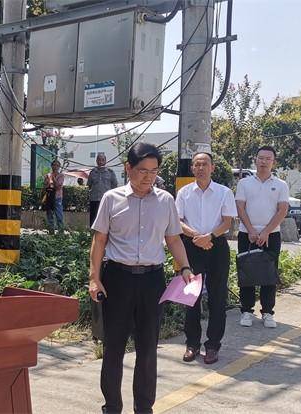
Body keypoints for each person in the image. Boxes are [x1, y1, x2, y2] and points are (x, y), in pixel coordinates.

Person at [89, 142, 192, 414]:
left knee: (148, 350)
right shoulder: (111, 198)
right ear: (128, 169)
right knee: (114, 349)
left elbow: (173, 239)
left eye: (154, 171)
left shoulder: (166, 200)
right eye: (142, 170)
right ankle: (112, 406)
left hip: (151, 281)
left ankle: (144, 408)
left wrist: (184, 268)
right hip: (117, 279)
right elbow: (100, 241)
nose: (148, 176)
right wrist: (94, 278)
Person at [175, 152, 237, 364]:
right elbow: (178, 220)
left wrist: (209, 237)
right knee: (190, 298)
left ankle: (212, 346)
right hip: (191, 246)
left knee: (217, 298)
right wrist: (196, 237)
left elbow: (227, 222)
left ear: (212, 168)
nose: (201, 168)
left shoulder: (224, 192)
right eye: (197, 164)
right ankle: (192, 344)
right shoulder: (184, 193)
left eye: (205, 164)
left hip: (216, 245)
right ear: (192, 168)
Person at [235, 146, 289, 329]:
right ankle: (246, 311)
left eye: (268, 158)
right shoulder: (244, 184)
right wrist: (251, 230)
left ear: (274, 162)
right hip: (246, 234)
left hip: (271, 235)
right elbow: (240, 207)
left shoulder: (281, 185)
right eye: (261, 158)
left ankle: (267, 312)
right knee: (246, 273)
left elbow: (282, 210)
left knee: (269, 275)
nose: (264, 161)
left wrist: (265, 232)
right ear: (255, 160)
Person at [87, 153, 119, 226]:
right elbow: (89, 185)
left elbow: (114, 186)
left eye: (102, 160)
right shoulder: (92, 173)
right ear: (96, 161)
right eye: (99, 160)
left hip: (106, 200)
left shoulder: (110, 172)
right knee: (93, 220)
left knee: (106, 221)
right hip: (94, 200)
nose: (100, 162)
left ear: (105, 161)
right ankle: (93, 235)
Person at [44, 160, 65, 233]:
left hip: (57, 197)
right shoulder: (48, 175)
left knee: (59, 215)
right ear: (51, 166)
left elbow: (58, 186)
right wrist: (47, 181)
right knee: (49, 215)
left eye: (57, 165)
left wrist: (53, 179)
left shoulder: (61, 175)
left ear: (59, 167)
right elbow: (46, 186)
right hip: (49, 197)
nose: (55, 167)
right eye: (54, 165)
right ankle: (51, 231)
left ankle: (61, 232)